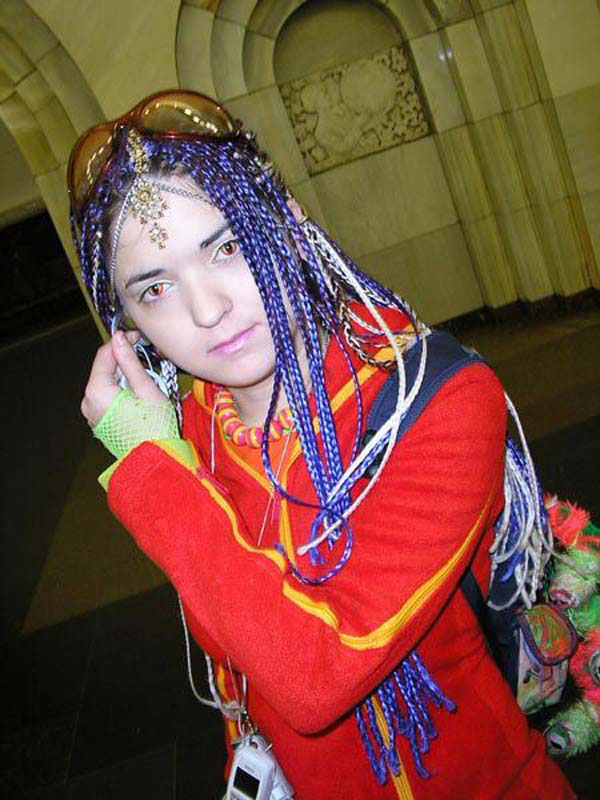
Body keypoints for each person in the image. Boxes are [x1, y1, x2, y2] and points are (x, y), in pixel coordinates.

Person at [69, 90, 574, 799]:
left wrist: (153, 474)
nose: (207, 310)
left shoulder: (435, 400)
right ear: (128, 330)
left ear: (291, 223)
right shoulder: (192, 433)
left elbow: (319, 673)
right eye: (154, 290)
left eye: (229, 247)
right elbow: (236, 659)